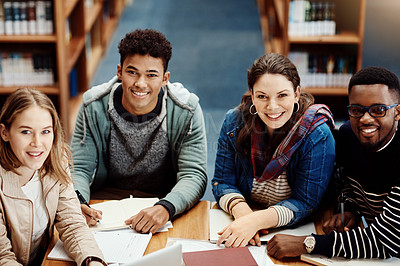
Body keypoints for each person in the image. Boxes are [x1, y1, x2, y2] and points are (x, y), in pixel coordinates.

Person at [70, 29, 207, 234]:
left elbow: (193, 174)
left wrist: (166, 207)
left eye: (151, 75)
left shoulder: (186, 109)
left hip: (164, 201)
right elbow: (80, 168)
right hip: (107, 204)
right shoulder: (93, 105)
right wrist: (77, 201)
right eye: (132, 72)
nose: (140, 84)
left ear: (165, 78)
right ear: (119, 71)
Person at [267, 66, 400, 260]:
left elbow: (383, 242)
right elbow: (345, 183)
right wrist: (350, 210)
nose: (365, 119)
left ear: (397, 112)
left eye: (378, 110)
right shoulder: (347, 136)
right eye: (356, 110)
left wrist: (307, 244)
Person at [212, 53, 335, 248]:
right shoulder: (234, 121)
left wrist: (256, 221)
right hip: (248, 220)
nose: (272, 106)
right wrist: (243, 214)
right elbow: (222, 182)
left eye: (282, 95)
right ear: (252, 95)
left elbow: (305, 202)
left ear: (296, 94)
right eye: (262, 96)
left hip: (289, 232)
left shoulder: (317, 134)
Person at [0, 88, 105, 265]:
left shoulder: (56, 160)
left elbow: (72, 224)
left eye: (45, 131)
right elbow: (3, 257)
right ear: (5, 133)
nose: (37, 143)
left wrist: (92, 260)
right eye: (26, 132)